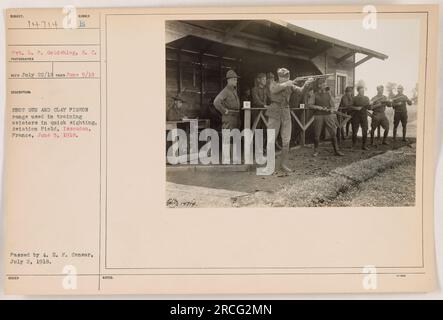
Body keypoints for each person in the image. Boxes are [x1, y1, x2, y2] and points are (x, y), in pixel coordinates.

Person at [266, 68, 314, 172]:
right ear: (279, 77)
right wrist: (286, 83)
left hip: (286, 112)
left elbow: (301, 91)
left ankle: (283, 164)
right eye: (284, 77)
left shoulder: (290, 84)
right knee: (271, 138)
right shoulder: (273, 83)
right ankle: (269, 164)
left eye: (287, 77)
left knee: (286, 139)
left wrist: (307, 84)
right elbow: (273, 90)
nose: (287, 79)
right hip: (274, 111)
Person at [307, 81, 344, 157]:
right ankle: (316, 151)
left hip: (328, 115)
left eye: (325, 84)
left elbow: (333, 105)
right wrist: (319, 107)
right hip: (318, 116)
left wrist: (331, 109)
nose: (325, 86)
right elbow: (310, 105)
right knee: (317, 134)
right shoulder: (314, 95)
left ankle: (336, 151)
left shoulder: (328, 94)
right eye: (323, 84)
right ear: (319, 85)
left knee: (333, 133)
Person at [351, 86, 371, 150]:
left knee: (365, 131)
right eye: (361, 90)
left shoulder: (366, 98)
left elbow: (369, 108)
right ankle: (353, 145)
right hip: (356, 116)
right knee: (354, 131)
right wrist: (356, 108)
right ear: (358, 91)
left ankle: (364, 146)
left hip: (364, 116)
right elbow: (350, 106)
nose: (363, 91)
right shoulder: (354, 98)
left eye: (363, 90)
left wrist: (370, 105)